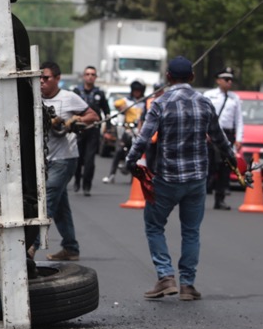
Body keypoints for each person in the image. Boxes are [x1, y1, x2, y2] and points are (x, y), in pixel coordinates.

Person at [125, 56, 237, 301]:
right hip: (197, 180)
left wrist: (130, 161)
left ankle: (166, 277)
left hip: (167, 178)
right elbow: (220, 140)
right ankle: (187, 284)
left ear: (168, 77)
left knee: (154, 226)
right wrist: (235, 161)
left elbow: (143, 138)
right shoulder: (205, 103)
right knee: (191, 231)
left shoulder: (160, 103)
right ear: (192, 77)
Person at [35, 61, 99, 262]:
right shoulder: (34, 98)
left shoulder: (69, 98)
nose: (42, 81)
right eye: (40, 78)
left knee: (48, 200)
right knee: (62, 207)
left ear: (57, 79)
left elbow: (93, 116)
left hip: (65, 158)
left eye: (46, 78)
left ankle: (31, 245)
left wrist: (75, 121)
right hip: (45, 159)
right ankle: (71, 247)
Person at [203, 66, 244, 210]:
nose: (229, 83)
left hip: (227, 135)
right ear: (218, 81)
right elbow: (202, 116)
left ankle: (220, 199)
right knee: (208, 166)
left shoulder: (235, 98)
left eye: (231, 80)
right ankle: (200, 198)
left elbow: (239, 120)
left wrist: (239, 138)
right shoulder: (209, 95)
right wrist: (204, 133)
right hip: (211, 134)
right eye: (226, 80)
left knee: (225, 168)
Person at [72, 67, 110, 196]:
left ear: (96, 77)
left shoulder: (99, 93)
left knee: (89, 160)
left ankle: (87, 185)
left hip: (93, 130)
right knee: (78, 158)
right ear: (83, 76)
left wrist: (108, 127)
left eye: (92, 74)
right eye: (87, 74)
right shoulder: (77, 92)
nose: (90, 77)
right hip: (79, 130)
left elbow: (106, 111)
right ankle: (77, 180)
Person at [102, 80, 147, 184]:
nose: (136, 93)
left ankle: (135, 178)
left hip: (140, 130)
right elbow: (116, 104)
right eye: (135, 91)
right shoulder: (127, 100)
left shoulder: (145, 102)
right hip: (129, 129)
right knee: (119, 150)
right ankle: (111, 175)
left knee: (139, 153)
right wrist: (123, 107)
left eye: (138, 91)